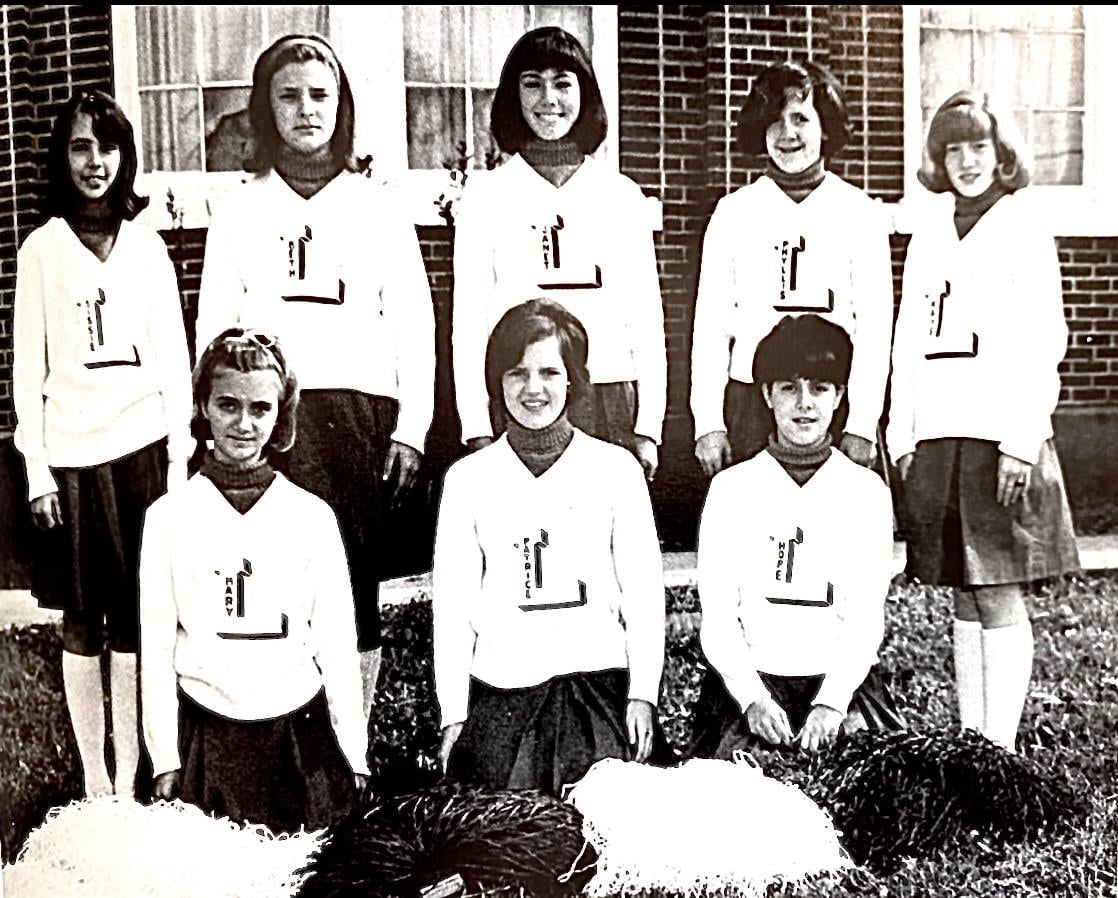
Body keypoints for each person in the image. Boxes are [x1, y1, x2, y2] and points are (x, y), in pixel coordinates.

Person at [195, 34, 435, 712]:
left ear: (341, 106)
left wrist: (411, 429)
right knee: (274, 573)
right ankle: (281, 725)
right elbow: (214, 328)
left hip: (356, 417)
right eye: (289, 96)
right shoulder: (239, 209)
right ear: (266, 109)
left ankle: (348, 739)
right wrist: (212, 426)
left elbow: (414, 323)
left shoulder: (377, 205)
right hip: (268, 419)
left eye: (319, 95)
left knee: (351, 582)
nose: (306, 110)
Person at [887, 90, 1079, 753]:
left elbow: (1044, 339)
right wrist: (903, 433)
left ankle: (1001, 747)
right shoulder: (931, 229)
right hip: (940, 430)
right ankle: (973, 740)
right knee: (963, 593)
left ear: (1001, 155)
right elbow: (909, 338)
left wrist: (1021, 440)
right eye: (953, 150)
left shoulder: (1022, 226)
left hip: (998, 434)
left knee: (996, 587)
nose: (967, 161)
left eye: (979, 147)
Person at [12, 89, 192, 798]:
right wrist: (37, 470)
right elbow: (28, 369)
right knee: (83, 617)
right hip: (72, 460)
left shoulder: (146, 248)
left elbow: (172, 358)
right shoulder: (42, 251)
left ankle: (130, 776)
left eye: (108, 147)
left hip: (141, 450)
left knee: (135, 618)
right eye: (80, 147)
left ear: (126, 157)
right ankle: (95, 782)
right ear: (62, 158)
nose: (95, 162)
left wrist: (177, 459)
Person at [433, 299, 667, 794]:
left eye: (549, 372)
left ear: (573, 380)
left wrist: (642, 694)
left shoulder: (616, 469)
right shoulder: (468, 479)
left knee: (605, 812)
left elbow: (644, 595)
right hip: (505, 691)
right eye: (517, 373)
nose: (533, 388)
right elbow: (453, 610)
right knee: (505, 822)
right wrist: (454, 715)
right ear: (497, 382)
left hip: (596, 687)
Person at [141, 328, 369, 833]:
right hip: (206, 731)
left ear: (281, 414)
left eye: (260, 409)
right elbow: (155, 648)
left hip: (294, 736)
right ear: (203, 406)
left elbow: (336, 643)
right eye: (228, 405)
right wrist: (164, 757)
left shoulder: (311, 516)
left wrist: (353, 752)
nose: (243, 424)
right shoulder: (169, 517)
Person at [452, 27, 665, 481]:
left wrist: (648, 426)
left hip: (606, 393)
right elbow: (468, 321)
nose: (548, 99)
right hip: (521, 394)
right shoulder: (486, 196)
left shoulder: (620, 195)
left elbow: (646, 317)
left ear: (585, 93)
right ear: (513, 96)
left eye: (563, 83)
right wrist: (476, 423)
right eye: (532, 83)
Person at [693, 315, 902, 758]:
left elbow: (866, 617)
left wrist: (832, 703)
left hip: (839, 687)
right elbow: (718, 616)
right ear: (767, 394)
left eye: (820, 388)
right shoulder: (732, 489)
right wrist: (751, 697)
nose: (804, 404)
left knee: (872, 779)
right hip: (754, 686)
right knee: (737, 785)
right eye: (789, 388)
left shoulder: (865, 491)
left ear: (839, 396)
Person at [690, 60, 892, 477]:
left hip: (831, 400)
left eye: (801, 118)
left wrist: (861, 423)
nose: (787, 133)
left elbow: (875, 329)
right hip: (753, 402)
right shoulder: (734, 213)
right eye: (774, 121)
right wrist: (708, 422)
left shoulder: (859, 213)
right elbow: (710, 327)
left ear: (825, 126)